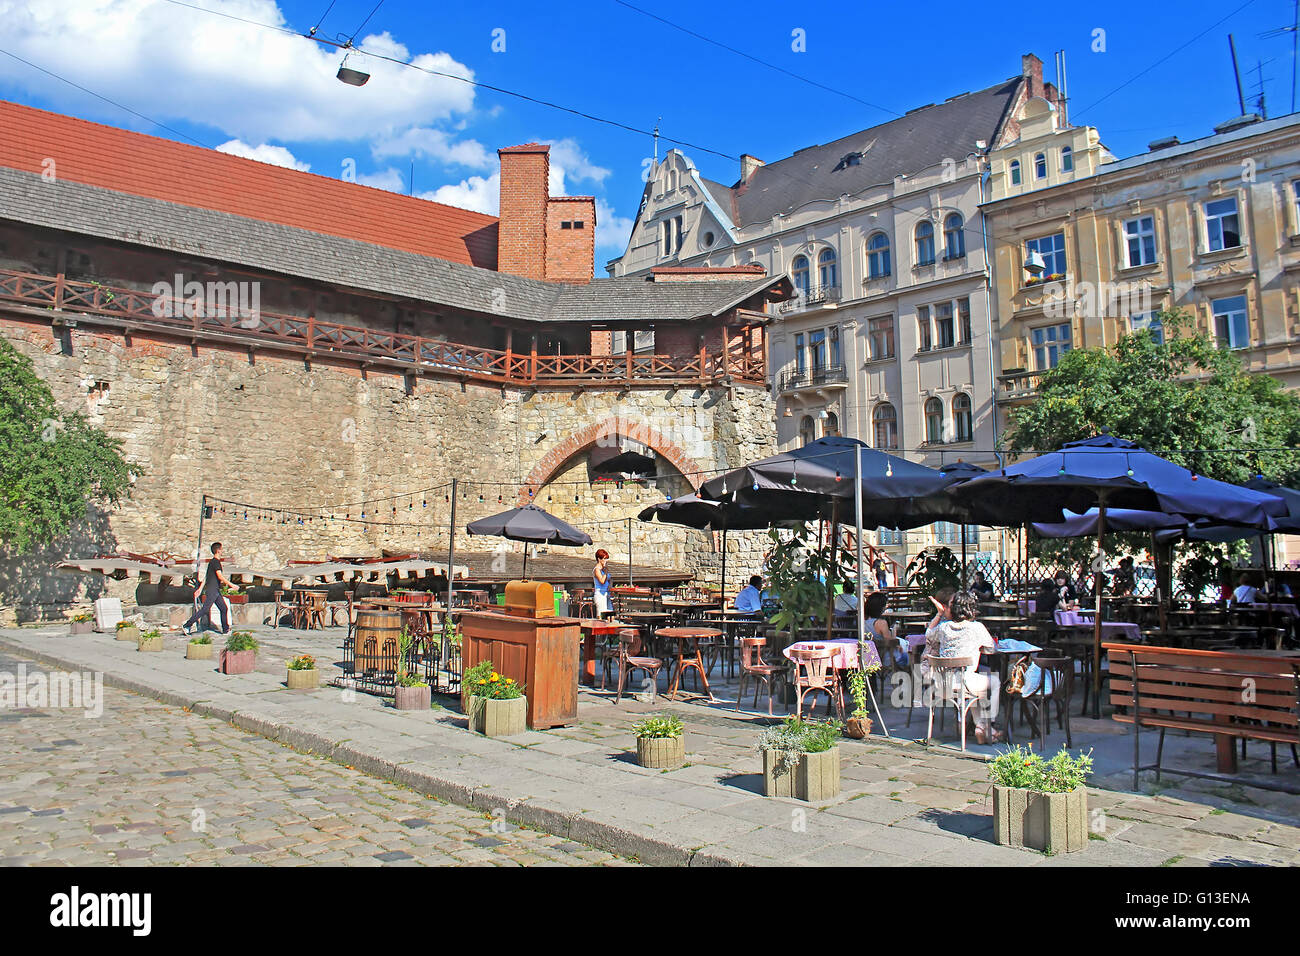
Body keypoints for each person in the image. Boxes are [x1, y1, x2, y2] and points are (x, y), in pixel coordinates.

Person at [922, 590, 1001, 744]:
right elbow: (992, 649)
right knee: (994, 682)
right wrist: (979, 648)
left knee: (976, 691)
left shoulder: (944, 628)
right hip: (966, 681)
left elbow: (929, 634)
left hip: (943, 683)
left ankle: (979, 726)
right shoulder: (976, 628)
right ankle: (989, 725)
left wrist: (939, 614)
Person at [183, 542, 231, 635]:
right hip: (213, 591)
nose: (222, 551)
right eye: (221, 549)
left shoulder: (212, 562)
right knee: (205, 610)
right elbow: (220, 576)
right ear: (218, 551)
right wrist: (232, 585)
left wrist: (200, 589)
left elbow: (206, 577)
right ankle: (187, 625)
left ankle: (226, 630)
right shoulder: (216, 562)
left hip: (215, 590)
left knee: (224, 608)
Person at [592, 549, 612, 616]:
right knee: (602, 616)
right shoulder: (597, 570)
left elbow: (610, 579)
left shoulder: (604, 569)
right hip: (600, 595)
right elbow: (602, 581)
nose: (606, 561)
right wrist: (605, 573)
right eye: (604, 559)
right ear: (599, 559)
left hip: (607, 594)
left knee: (610, 614)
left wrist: (610, 586)